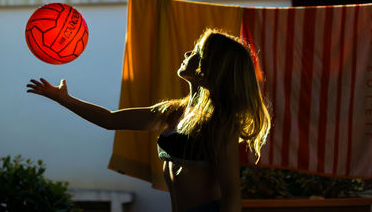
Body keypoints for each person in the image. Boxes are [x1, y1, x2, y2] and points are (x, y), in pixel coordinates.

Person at [27, 29, 271, 212]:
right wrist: (63, 99)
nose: (187, 53)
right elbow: (110, 120)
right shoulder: (173, 112)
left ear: (209, 69)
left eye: (196, 52)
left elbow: (231, 193)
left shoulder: (220, 125)